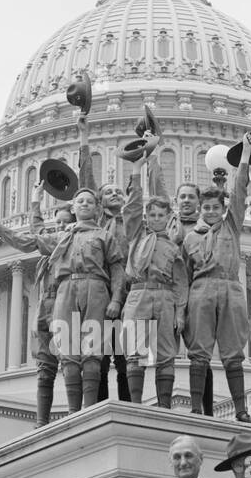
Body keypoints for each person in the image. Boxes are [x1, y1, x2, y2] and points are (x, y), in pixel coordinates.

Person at [176, 141, 251, 423]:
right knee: (199, 351)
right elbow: (183, 277)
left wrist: (245, 155)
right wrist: (180, 309)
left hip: (230, 288)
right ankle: (196, 407)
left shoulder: (231, 226)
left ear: (222, 209)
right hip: (201, 290)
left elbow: (240, 190)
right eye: (206, 207)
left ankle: (242, 410)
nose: (210, 211)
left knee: (233, 352)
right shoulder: (190, 238)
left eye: (214, 207)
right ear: (199, 208)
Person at [0, 184, 75, 427]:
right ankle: (41, 422)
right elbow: (38, 232)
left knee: (70, 362)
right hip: (45, 313)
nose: (61, 228)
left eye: (67, 223)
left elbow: (28, 239)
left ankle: (76, 415)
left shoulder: (74, 244)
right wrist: (35, 201)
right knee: (45, 368)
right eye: (58, 224)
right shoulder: (49, 250)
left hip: (67, 309)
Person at [47, 178, 126, 413]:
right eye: (80, 201)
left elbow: (117, 268)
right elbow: (30, 239)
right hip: (67, 289)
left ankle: (89, 410)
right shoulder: (62, 237)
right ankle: (74, 411)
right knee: (67, 350)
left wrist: (116, 299)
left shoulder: (104, 236)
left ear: (97, 208)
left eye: (90, 202)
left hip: (96, 289)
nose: (84, 205)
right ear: (73, 208)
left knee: (93, 350)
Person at [121, 148, 188, 408]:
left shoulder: (173, 246)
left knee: (165, 353)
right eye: (153, 215)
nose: (157, 219)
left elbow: (181, 281)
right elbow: (132, 207)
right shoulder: (137, 235)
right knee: (136, 352)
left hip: (165, 297)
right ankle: (136, 403)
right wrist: (137, 170)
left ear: (168, 217)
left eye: (162, 215)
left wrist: (180, 312)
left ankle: (164, 404)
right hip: (139, 293)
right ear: (147, 218)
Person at [75, 112, 131, 403]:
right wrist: (84, 139)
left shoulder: (134, 222)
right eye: (107, 192)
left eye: (119, 192)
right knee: (98, 354)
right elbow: (86, 180)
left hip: (128, 297)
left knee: (127, 358)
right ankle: (98, 409)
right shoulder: (96, 223)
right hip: (99, 295)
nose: (114, 194)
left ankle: (129, 408)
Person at [172, 182, 214, 413]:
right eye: (182, 196)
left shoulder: (206, 228)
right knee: (160, 349)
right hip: (168, 291)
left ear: (198, 201)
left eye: (191, 197)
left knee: (201, 350)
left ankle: (204, 409)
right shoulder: (166, 225)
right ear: (175, 200)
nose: (186, 200)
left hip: (197, 289)